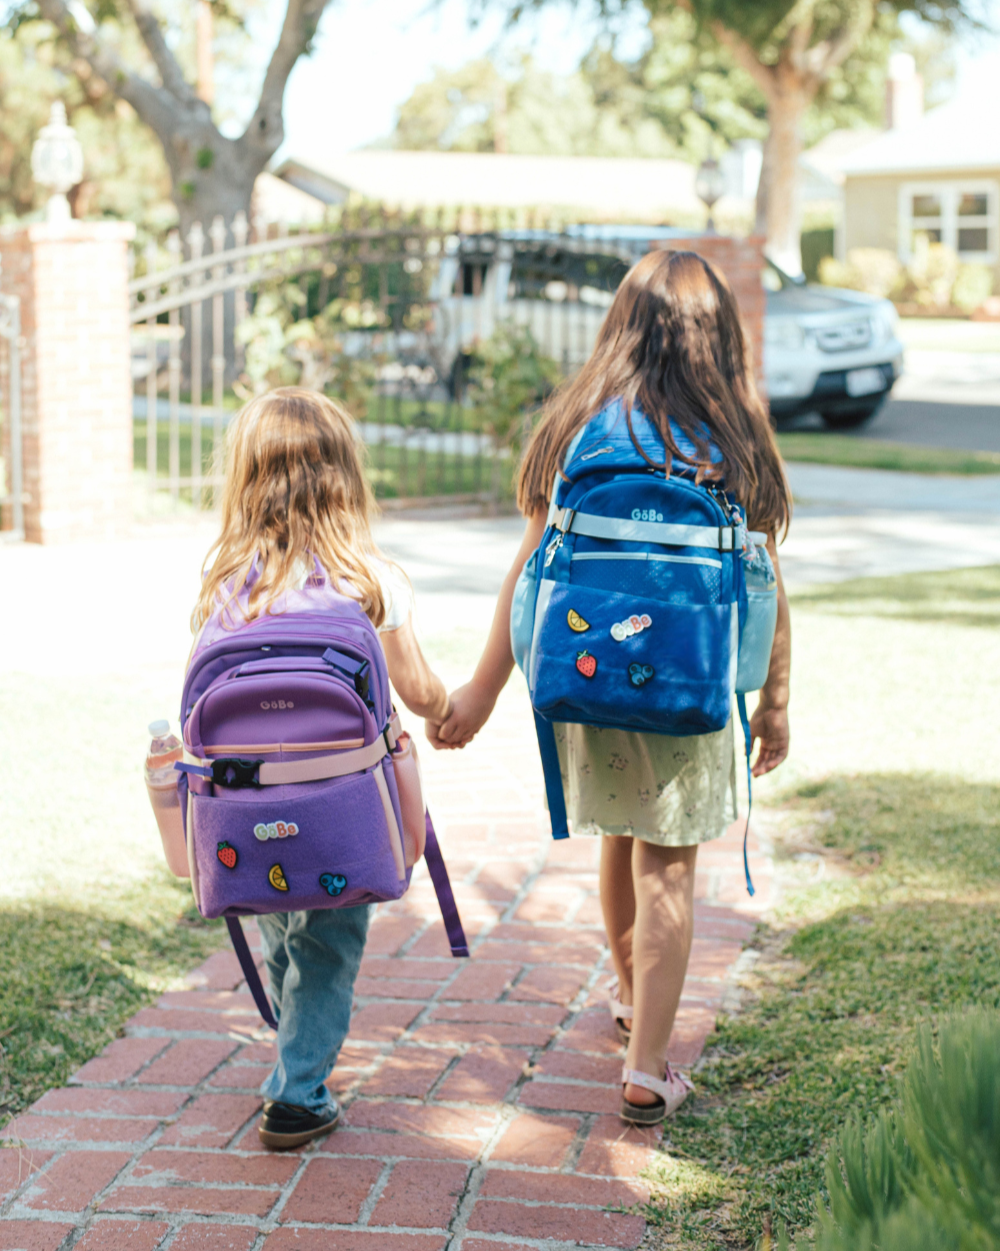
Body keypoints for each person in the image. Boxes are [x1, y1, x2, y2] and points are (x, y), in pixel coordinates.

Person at [430, 250, 792, 1124]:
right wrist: (775, 700)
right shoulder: (737, 442)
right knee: (669, 859)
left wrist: (481, 690)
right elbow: (769, 587)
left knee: (621, 838)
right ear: (719, 339)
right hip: (691, 686)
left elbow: (528, 570)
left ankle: (632, 996)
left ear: (620, 328)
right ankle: (648, 1064)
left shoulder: (578, 430)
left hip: (587, 676)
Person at [190, 387, 452, 1149]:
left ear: (244, 478)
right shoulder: (369, 580)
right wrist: (448, 710)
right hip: (343, 811)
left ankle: (295, 1052)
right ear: (345, 476)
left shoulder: (225, 586)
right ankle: (298, 1093)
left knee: (282, 922)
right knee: (328, 943)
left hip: (248, 812)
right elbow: (418, 688)